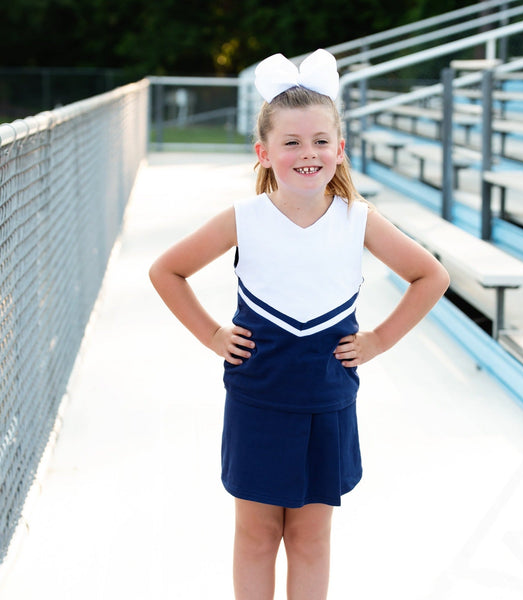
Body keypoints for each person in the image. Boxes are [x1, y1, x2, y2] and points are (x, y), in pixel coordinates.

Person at [149, 48, 450, 600]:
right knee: (257, 534)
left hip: (326, 399)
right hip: (258, 396)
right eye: (291, 143)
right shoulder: (244, 218)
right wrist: (212, 334)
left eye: (319, 142)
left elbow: (430, 276)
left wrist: (379, 340)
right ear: (263, 152)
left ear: (340, 149)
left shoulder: (359, 220)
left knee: (311, 536)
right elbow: (166, 270)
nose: (307, 154)